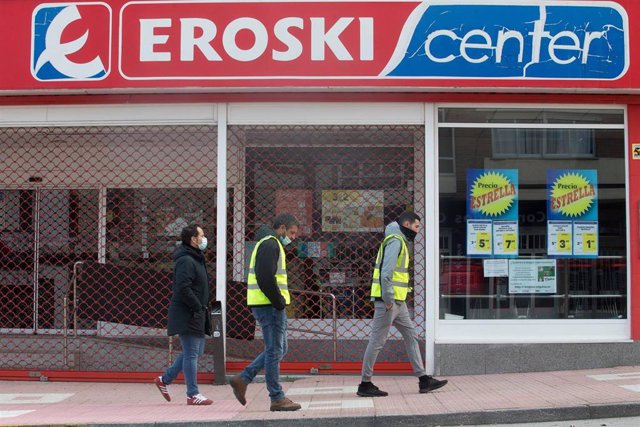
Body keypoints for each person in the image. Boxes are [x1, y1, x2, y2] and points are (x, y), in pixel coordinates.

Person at [357, 212, 448, 397]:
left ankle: (423, 380)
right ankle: (365, 384)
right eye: (416, 227)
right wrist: (389, 300)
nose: (417, 231)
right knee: (377, 342)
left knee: (411, 336)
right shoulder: (396, 241)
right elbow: (386, 273)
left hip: (399, 302)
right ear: (406, 224)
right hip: (389, 302)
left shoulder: (400, 240)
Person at [229, 213, 302, 412]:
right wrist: (278, 302)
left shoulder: (267, 243)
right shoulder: (271, 244)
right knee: (274, 350)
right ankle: (276, 397)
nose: (293, 237)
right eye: (292, 232)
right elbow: (265, 277)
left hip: (265, 305)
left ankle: (243, 379)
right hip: (269, 306)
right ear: (282, 228)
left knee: (278, 349)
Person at [154, 224, 214, 405]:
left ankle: (164, 380)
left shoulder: (196, 258)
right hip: (188, 313)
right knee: (191, 353)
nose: (204, 239)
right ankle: (192, 394)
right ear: (193, 239)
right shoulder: (186, 260)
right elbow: (183, 288)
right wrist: (196, 307)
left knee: (195, 351)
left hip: (197, 312)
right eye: (201, 235)